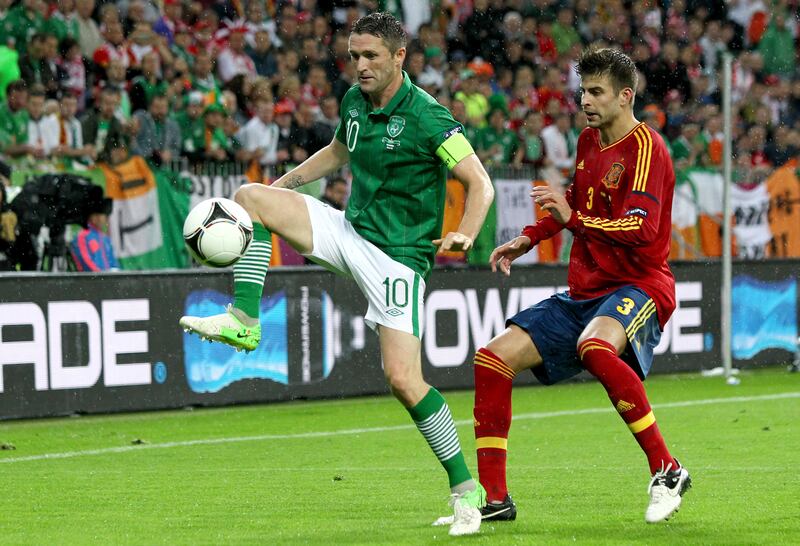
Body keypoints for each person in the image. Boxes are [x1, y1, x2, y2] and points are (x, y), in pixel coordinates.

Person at [180, 12, 495, 537]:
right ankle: (245, 319)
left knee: (404, 380)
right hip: (350, 231)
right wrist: (280, 191)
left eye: (371, 56)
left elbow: (480, 182)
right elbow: (338, 152)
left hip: (397, 258)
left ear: (399, 56)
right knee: (249, 198)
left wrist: (465, 232)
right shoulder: (353, 101)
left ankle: (467, 490)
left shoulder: (428, 116)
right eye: (354, 56)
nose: (361, 65)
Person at [471, 48, 691, 524]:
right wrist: (530, 237)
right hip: (586, 291)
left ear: (625, 96)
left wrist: (573, 220)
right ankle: (495, 500)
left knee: (595, 347)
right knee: (492, 359)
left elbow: (642, 229)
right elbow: (576, 199)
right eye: (583, 91)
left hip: (640, 283)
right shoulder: (590, 140)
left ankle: (667, 469)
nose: (585, 101)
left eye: (596, 92)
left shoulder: (648, 148)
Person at [69, 188, 118, 272]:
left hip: (107, 278)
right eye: (97, 215)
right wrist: (99, 273)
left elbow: (113, 261)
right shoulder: (82, 236)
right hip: (91, 279)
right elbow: (84, 259)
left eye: (103, 216)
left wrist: (116, 273)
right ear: (91, 216)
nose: (100, 219)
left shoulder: (106, 238)